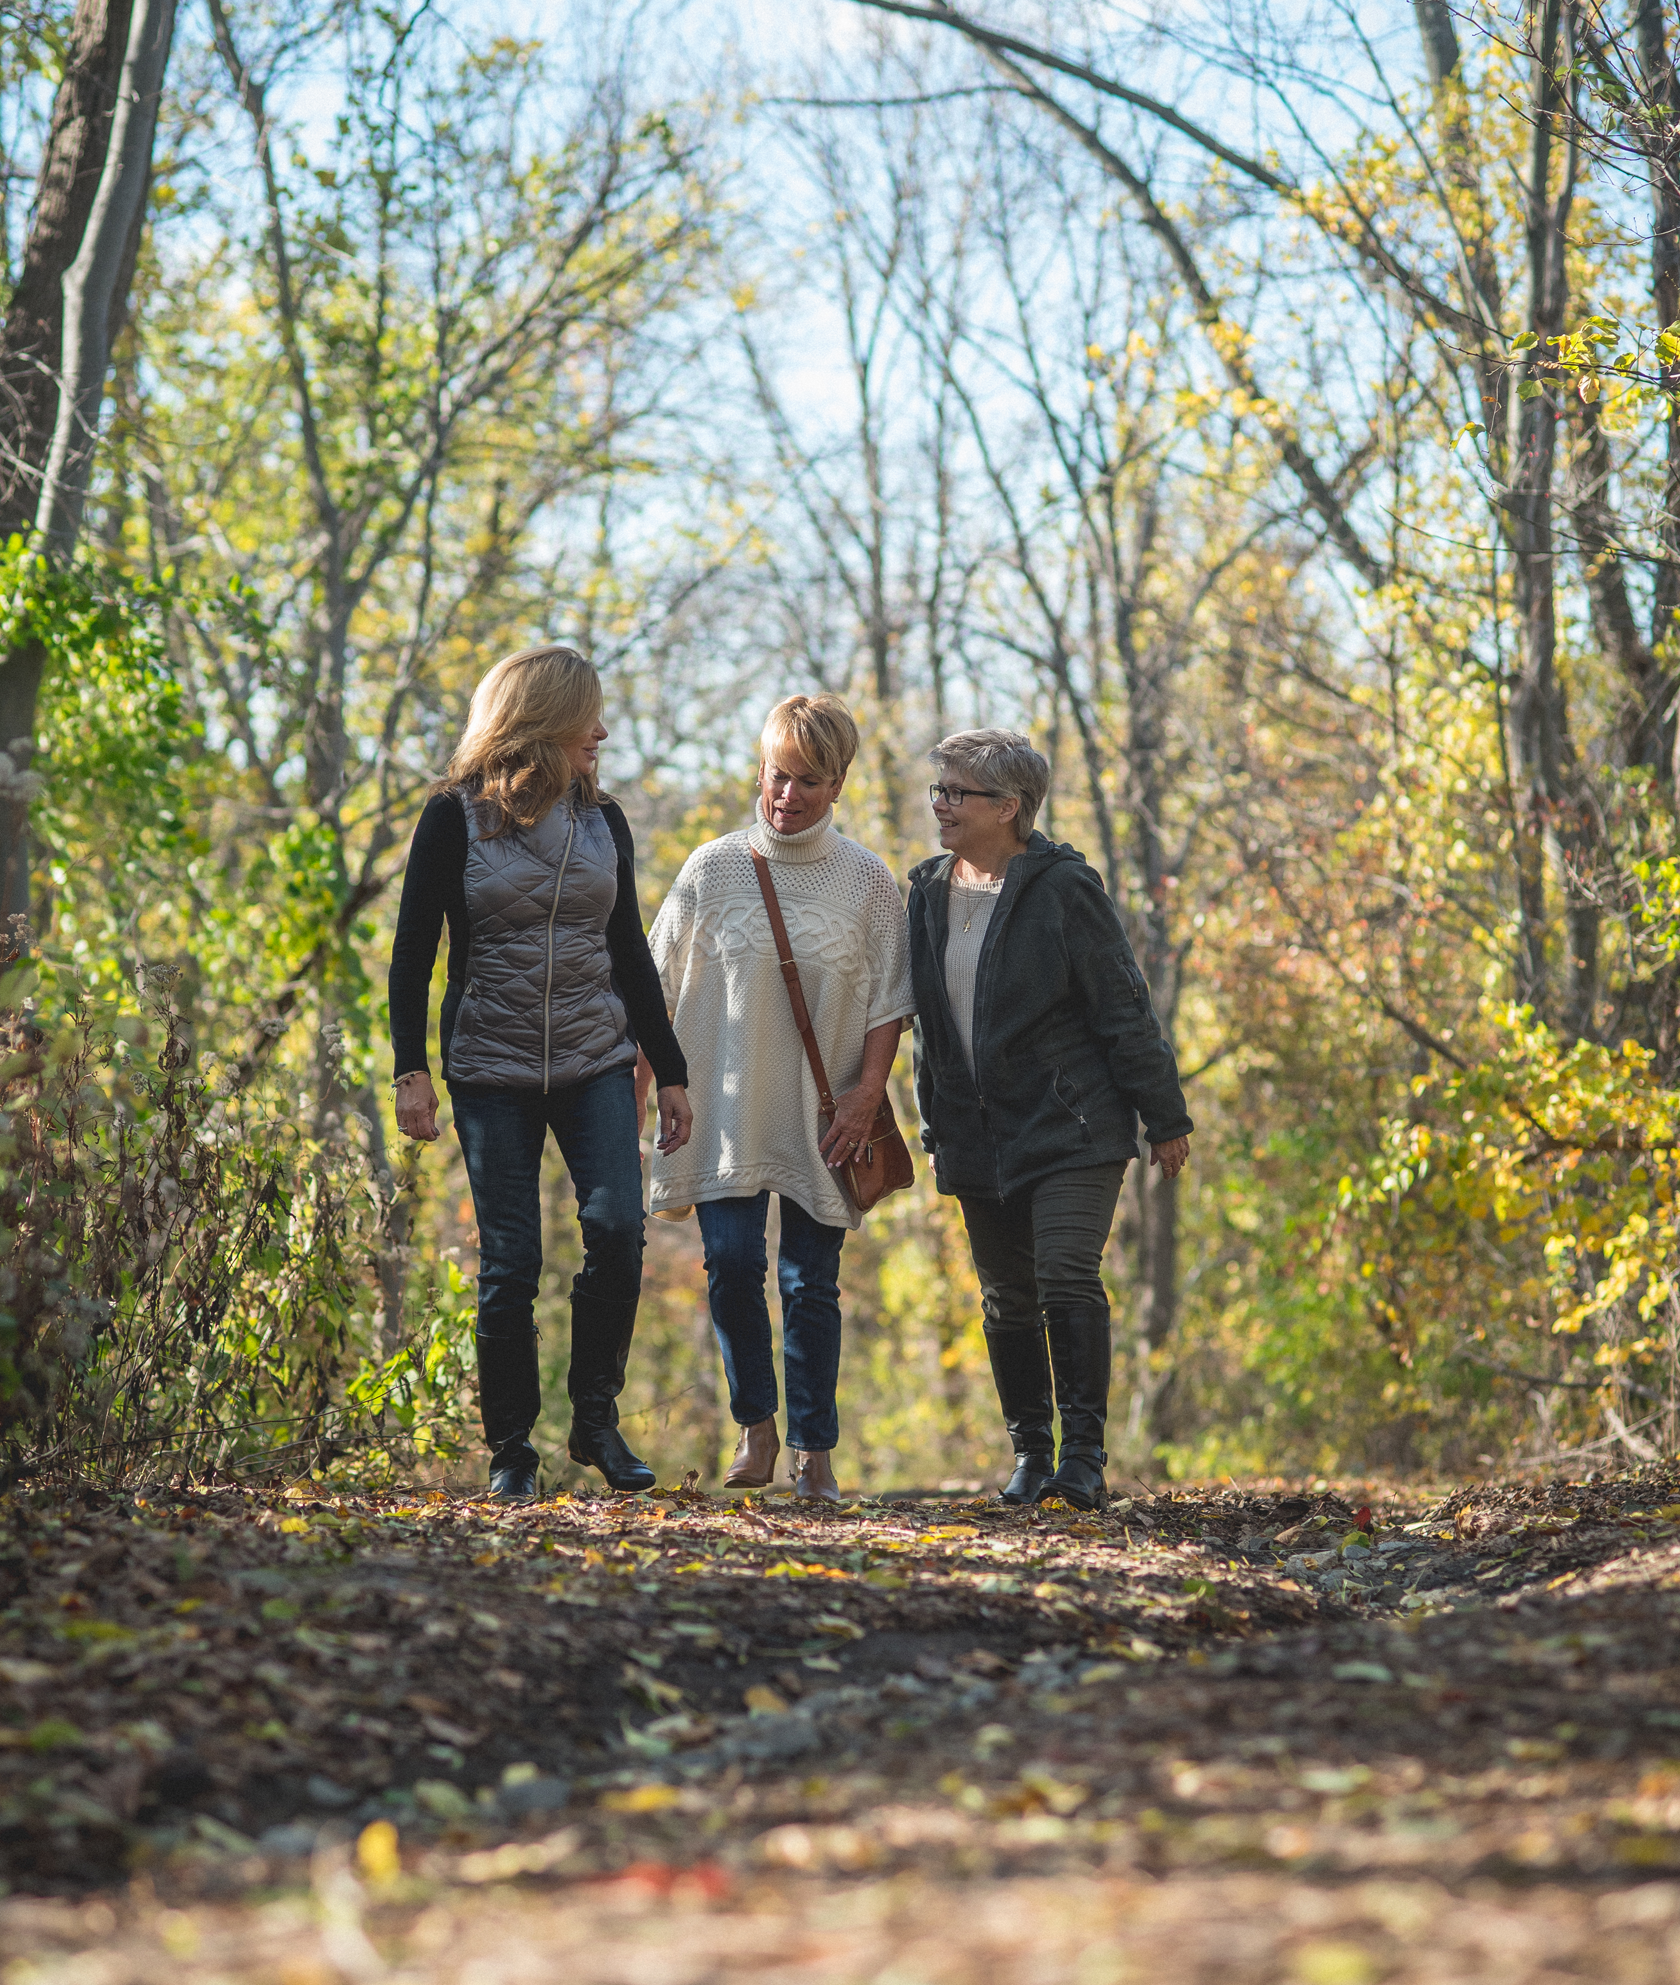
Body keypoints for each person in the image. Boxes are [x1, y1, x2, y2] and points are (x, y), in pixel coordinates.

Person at [388, 646, 691, 1500]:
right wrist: (411, 1068)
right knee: (511, 1263)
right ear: (540, 724)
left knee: (620, 1233)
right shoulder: (453, 818)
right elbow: (415, 952)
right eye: (586, 717)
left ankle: (595, 1421)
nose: (601, 731)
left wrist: (668, 1070)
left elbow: (628, 950)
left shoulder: (605, 820)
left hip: (595, 1058)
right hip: (491, 1065)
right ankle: (511, 1451)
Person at [907, 729, 1191, 1510]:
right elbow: (927, 1027)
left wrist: (1163, 1115)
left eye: (957, 792)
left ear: (1010, 807)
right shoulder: (926, 890)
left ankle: (1084, 1457)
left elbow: (1123, 1005)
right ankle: (1031, 1454)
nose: (941, 804)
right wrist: (931, 1122)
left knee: (1065, 1273)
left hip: (1072, 1125)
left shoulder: (1064, 887)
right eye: (939, 789)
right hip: (975, 1134)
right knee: (1005, 1298)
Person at [642, 693, 912, 1502]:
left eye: (807, 782)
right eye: (775, 776)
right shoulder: (712, 867)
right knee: (728, 1264)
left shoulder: (867, 881)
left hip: (825, 1118)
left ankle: (814, 1452)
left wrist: (869, 1094)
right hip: (723, 1110)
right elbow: (653, 986)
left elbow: (890, 1002)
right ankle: (755, 1426)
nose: (786, 796)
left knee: (808, 1281)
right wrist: (645, 1094)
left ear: (837, 785)